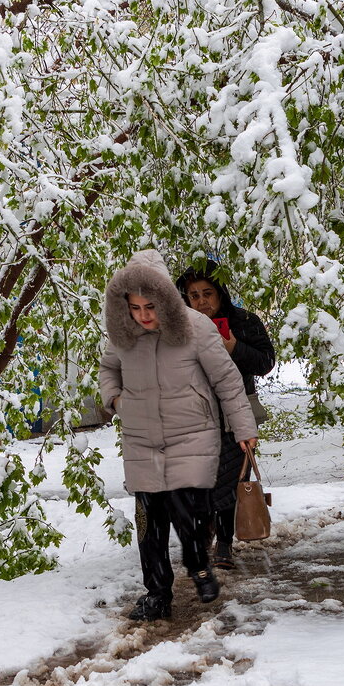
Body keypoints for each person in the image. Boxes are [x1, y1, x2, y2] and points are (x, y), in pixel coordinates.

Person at [99, 249, 258, 621]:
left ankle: (199, 567)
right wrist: (116, 399)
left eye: (150, 306)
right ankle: (156, 594)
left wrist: (243, 429)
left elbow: (228, 381)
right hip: (141, 440)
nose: (143, 316)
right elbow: (109, 370)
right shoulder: (123, 334)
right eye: (135, 307)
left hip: (192, 435)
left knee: (191, 512)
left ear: (167, 298)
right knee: (149, 523)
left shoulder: (195, 328)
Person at [175, 261, 276, 570]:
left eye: (208, 293)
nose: (202, 301)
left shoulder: (244, 322)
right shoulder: (180, 327)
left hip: (236, 413)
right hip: (196, 416)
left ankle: (224, 544)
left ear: (220, 294)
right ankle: (204, 533)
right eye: (194, 295)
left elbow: (265, 362)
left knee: (234, 478)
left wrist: (233, 347)